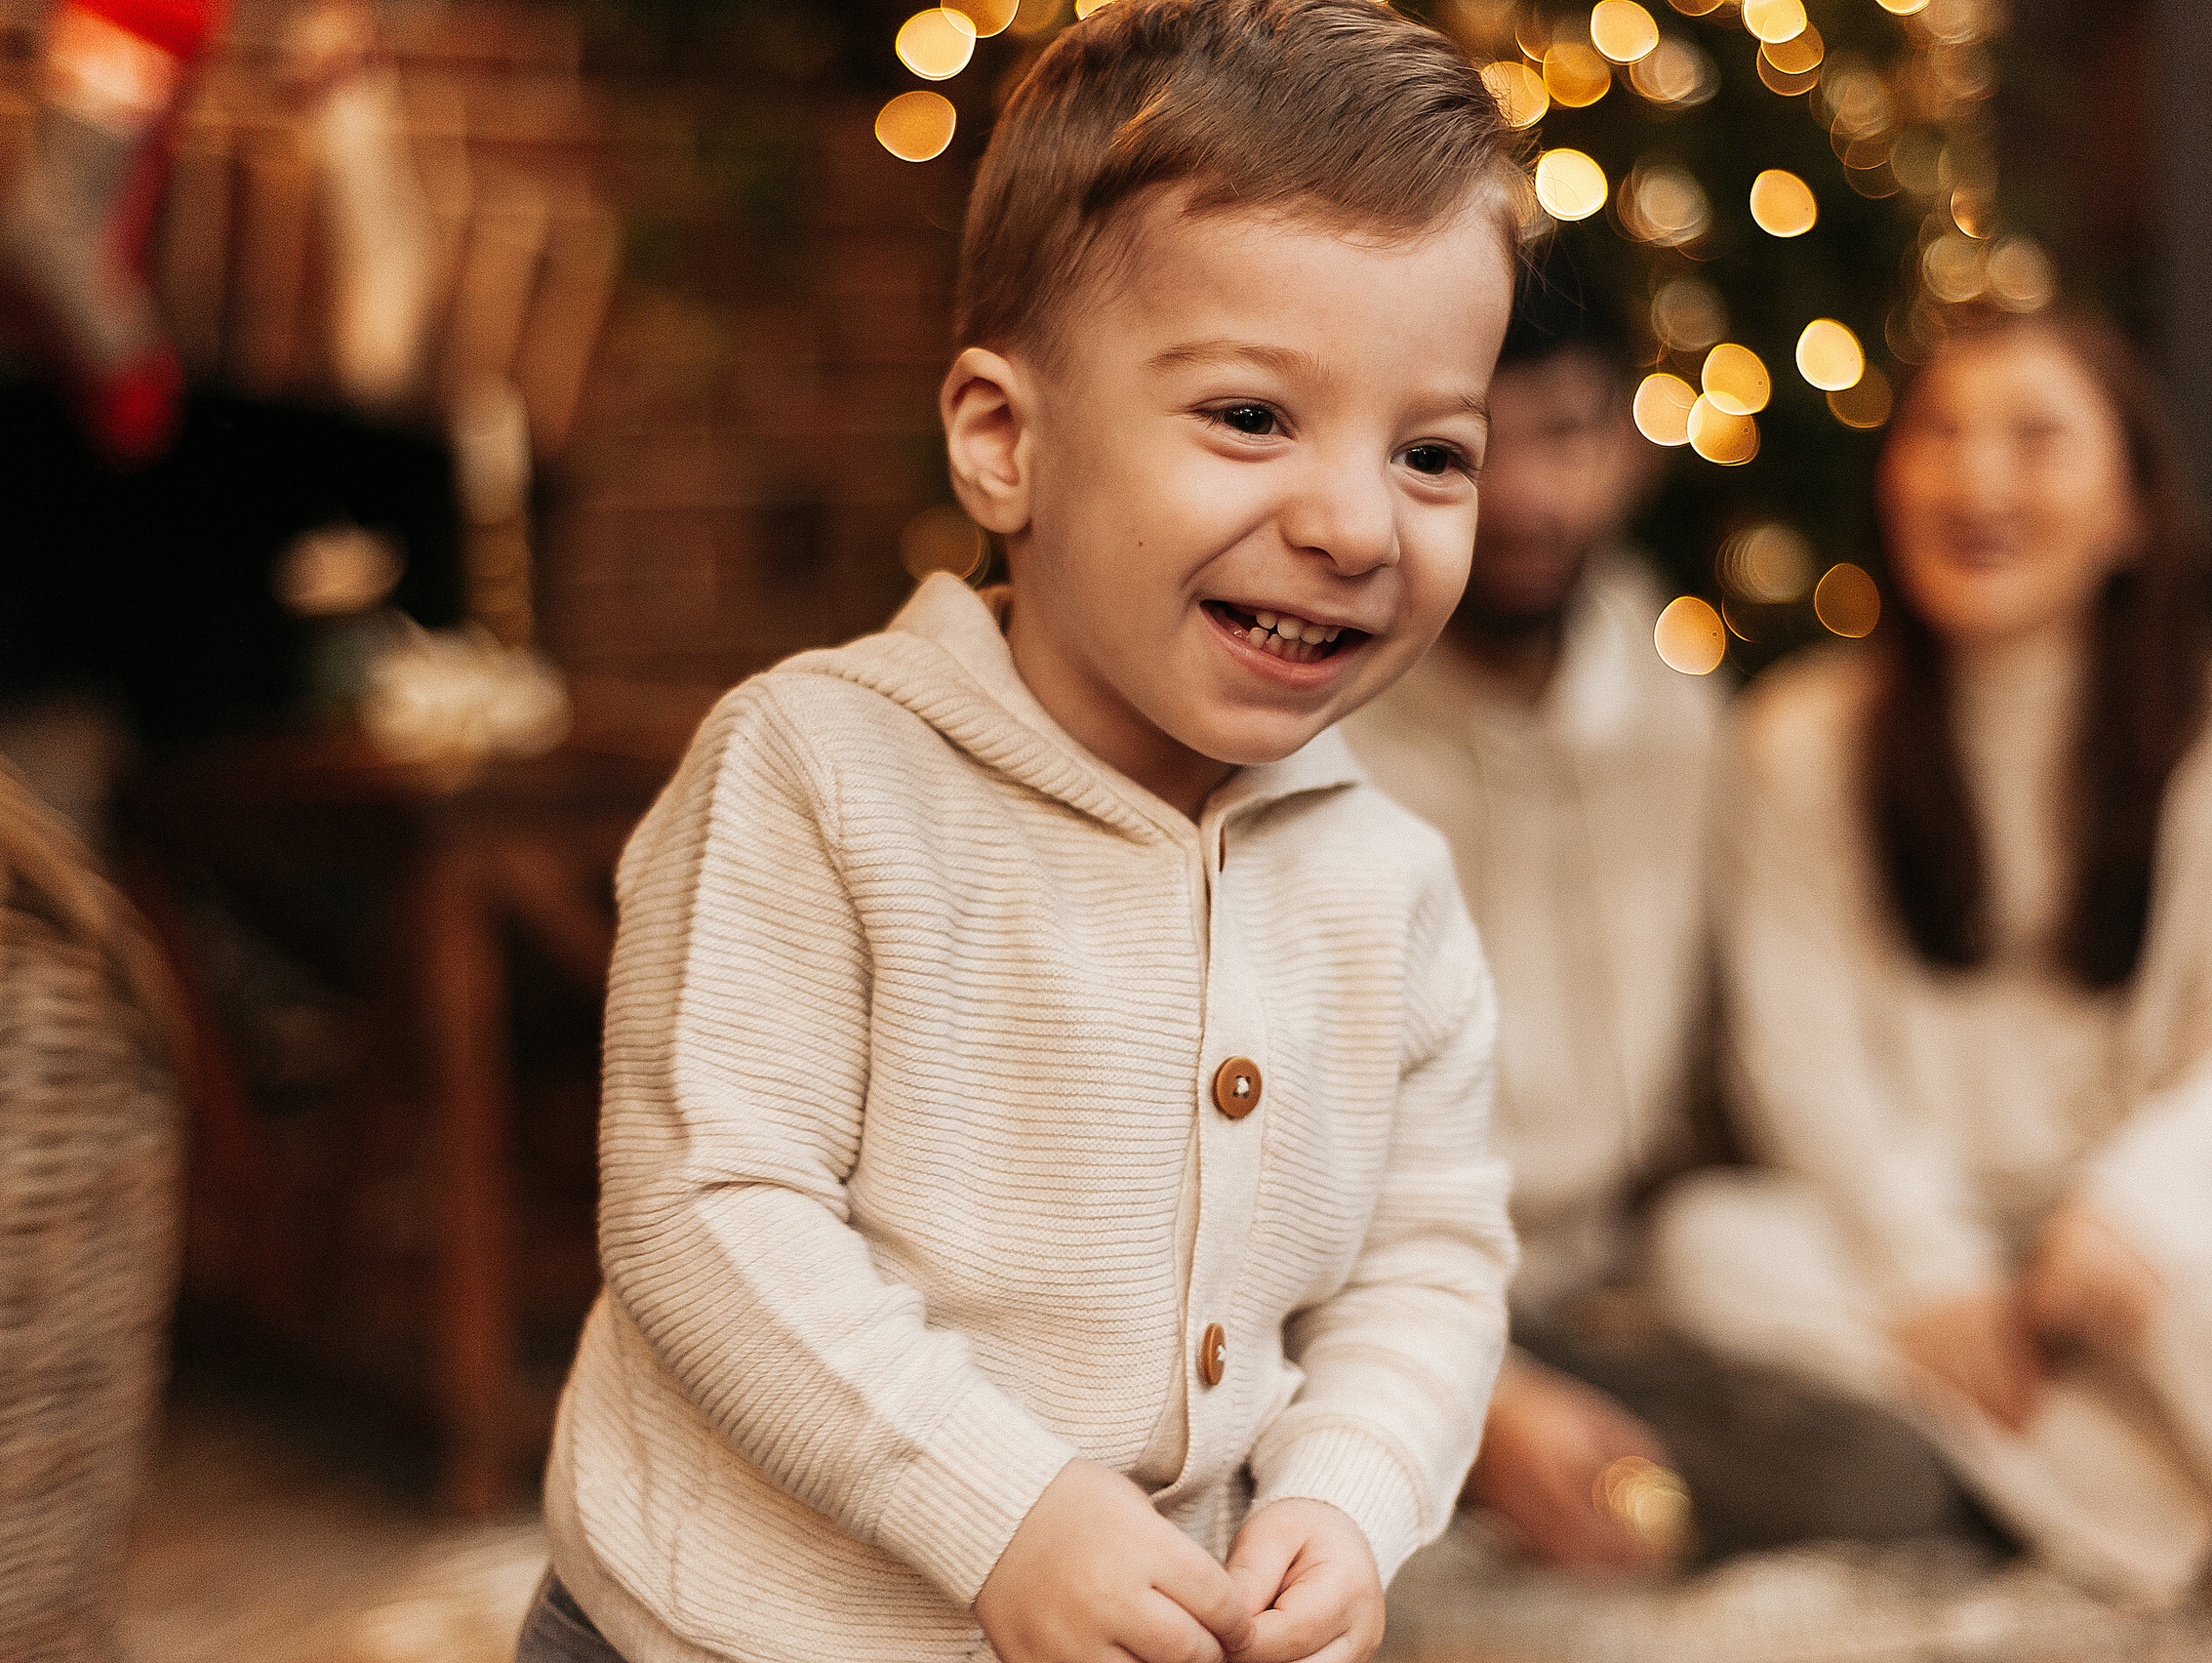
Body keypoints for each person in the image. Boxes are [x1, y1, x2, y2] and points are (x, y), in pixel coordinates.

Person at [518, 5, 1522, 1661]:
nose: (1353, 524)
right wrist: (1003, 1511)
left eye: (1431, 453)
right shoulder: (819, 771)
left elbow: (1428, 1261)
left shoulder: (1386, 884)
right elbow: (708, 1207)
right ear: (1006, 441)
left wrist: (1346, 1494)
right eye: (1251, 418)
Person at [1653, 311, 2212, 1604]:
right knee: (1708, 1251)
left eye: (2036, 441)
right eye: (1940, 435)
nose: (1977, 482)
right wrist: (1932, 1271)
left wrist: (2136, 1210)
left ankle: (2081, 1484)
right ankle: (2205, 1520)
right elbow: (1800, 1054)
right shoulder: (1802, 740)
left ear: (2131, 514)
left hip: (2174, 1249)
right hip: (1936, 1262)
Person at [1347, 243, 1966, 1573]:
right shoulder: (1324, 732)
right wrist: (1488, 1397)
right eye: (1468, 449)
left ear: (1630, 445)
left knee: (1885, 1482)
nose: (1521, 494)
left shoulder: (1685, 721)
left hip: (1607, 1302)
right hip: (1370, 1313)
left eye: (1564, 436)